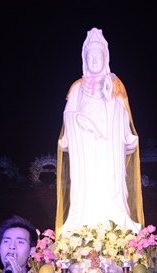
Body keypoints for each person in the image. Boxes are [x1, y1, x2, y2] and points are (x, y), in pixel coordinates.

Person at [55, 27, 145, 235]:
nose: (94, 61)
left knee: (111, 183)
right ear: (85, 59)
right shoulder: (77, 88)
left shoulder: (114, 85)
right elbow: (68, 115)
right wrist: (78, 120)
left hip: (108, 147)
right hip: (85, 149)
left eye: (99, 57)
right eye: (90, 57)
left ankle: (115, 227)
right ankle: (82, 228)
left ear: (106, 58)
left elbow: (122, 114)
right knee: (85, 186)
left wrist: (110, 98)